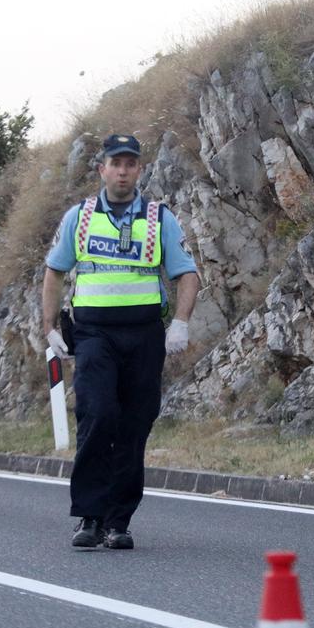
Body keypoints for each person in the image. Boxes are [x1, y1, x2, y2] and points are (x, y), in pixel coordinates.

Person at [42, 133, 200, 550]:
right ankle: (89, 517)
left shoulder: (158, 218)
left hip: (144, 336)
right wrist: (48, 327)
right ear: (103, 169)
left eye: (131, 163)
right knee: (96, 413)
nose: (123, 170)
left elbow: (187, 272)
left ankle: (118, 522)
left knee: (134, 424)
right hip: (94, 335)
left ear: (139, 170)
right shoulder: (79, 216)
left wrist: (180, 323)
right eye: (116, 163)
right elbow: (54, 271)